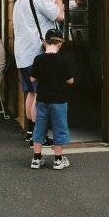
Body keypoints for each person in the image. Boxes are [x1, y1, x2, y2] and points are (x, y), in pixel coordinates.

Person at [12, 0, 65, 143]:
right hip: (36, 53)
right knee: (40, 96)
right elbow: (59, 16)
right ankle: (39, 135)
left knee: (30, 93)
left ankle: (31, 131)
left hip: (22, 53)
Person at [30, 29, 74, 170]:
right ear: (59, 44)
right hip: (59, 100)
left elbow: (32, 78)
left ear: (44, 43)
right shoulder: (63, 60)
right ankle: (58, 159)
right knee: (59, 128)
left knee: (40, 127)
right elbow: (70, 81)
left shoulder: (38, 59)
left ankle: (36, 158)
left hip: (42, 99)